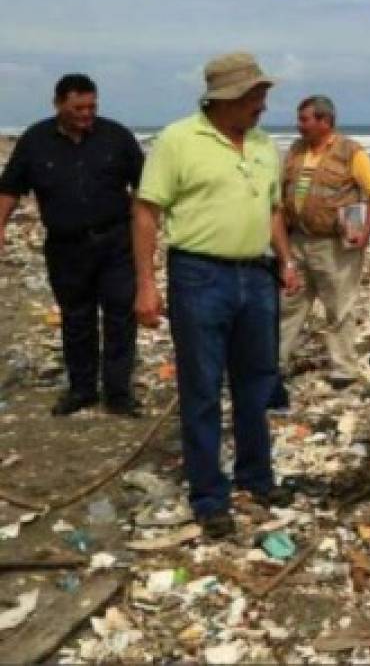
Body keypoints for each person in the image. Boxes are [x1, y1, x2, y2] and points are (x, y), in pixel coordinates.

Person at [133, 52, 300, 539]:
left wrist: (285, 260)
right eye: (255, 96)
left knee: (257, 383)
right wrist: (146, 284)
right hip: (199, 275)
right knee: (202, 388)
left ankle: (257, 477)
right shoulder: (178, 140)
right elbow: (146, 213)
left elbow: (271, 210)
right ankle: (209, 496)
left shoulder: (266, 145)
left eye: (263, 95)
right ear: (226, 97)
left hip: (257, 274)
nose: (263, 106)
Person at [0, 74, 145, 417]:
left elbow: (146, 188)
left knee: (120, 316)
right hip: (66, 248)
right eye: (78, 107)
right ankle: (81, 389)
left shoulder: (117, 137)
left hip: (115, 243)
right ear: (59, 104)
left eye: (92, 106)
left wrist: (146, 232)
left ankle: (118, 393)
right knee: (76, 318)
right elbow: (8, 190)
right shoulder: (36, 141)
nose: (86, 114)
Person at [275, 95, 370, 398]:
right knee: (289, 305)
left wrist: (365, 231)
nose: (299, 126)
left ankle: (343, 370)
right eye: (299, 120)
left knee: (339, 307)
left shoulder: (351, 152)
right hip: (297, 240)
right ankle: (276, 363)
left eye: (305, 120)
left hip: (334, 244)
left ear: (325, 121)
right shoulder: (297, 151)